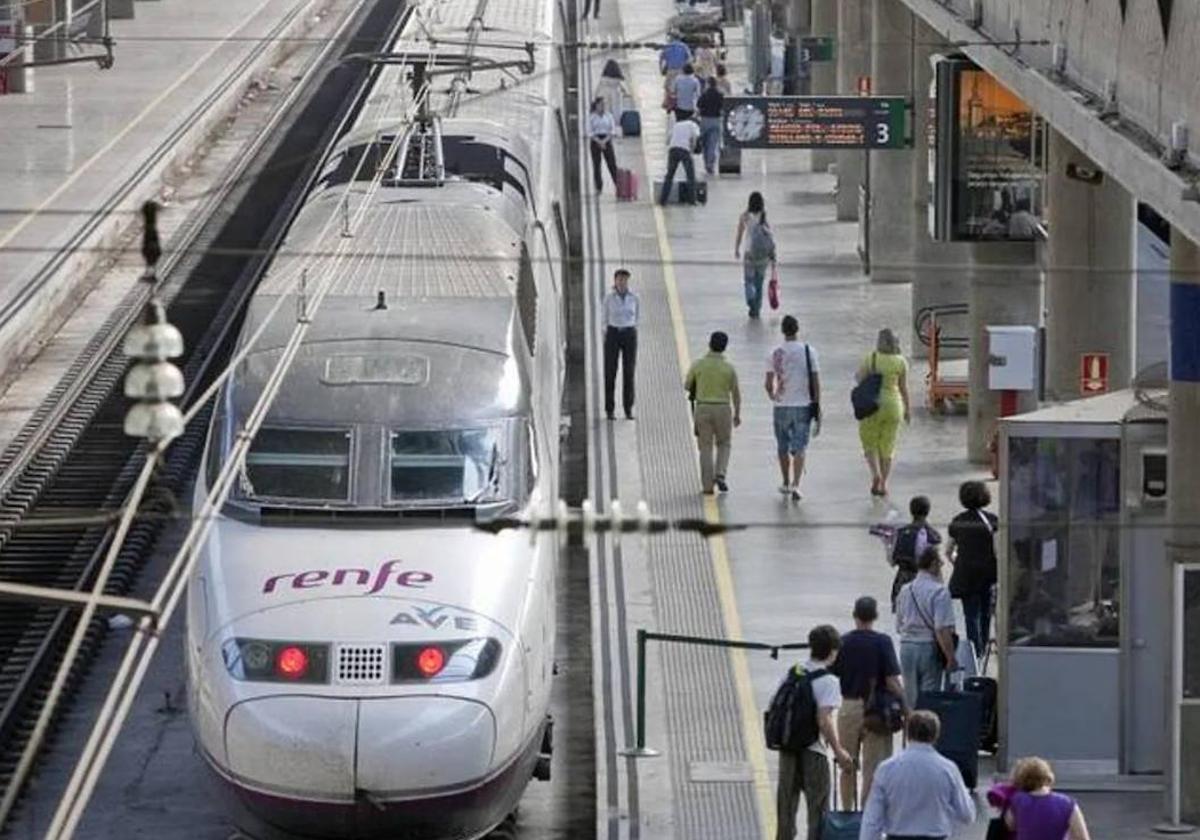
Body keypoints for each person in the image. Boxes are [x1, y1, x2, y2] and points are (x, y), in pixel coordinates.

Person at [775, 624, 853, 840]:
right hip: (814, 752)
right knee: (817, 809)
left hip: (788, 749)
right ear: (833, 651)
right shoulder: (829, 681)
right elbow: (824, 719)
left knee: (786, 808)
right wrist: (838, 751)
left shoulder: (794, 672)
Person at [830, 597, 904, 809]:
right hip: (877, 712)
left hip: (848, 708)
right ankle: (866, 818)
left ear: (854, 615)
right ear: (875, 616)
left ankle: (846, 814)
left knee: (847, 765)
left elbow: (832, 672)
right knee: (874, 769)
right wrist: (906, 706)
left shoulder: (842, 642)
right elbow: (891, 682)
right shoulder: (883, 642)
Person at [859, 710, 977, 840]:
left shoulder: (886, 768)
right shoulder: (948, 769)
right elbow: (967, 815)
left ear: (908, 734)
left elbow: (872, 820)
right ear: (936, 735)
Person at [764, 315, 820, 501]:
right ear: (797, 329)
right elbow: (815, 379)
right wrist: (817, 402)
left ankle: (786, 481)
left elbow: (768, 383)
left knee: (782, 446)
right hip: (803, 404)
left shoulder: (774, 352)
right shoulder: (808, 351)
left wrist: (773, 396)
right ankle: (797, 485)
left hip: (781, 406)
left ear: (783, 330)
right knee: (800, 447)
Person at [895, 547, 957, 708]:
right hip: (928, 648)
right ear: (934, 564)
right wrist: (950, 657)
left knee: (910, 699)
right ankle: (926, 731)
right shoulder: (940, 592)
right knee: (928, 700)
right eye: (941, 563)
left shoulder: (905, 589)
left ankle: (910, 731)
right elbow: (941, 629)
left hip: (906, 648)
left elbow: (899, 625)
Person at [855, 327, 910, 497]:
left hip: (873, 405)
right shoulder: (901, 361)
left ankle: (876, 475)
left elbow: (859, 378)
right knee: (888, 446)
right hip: (894, 406)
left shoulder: (871, 358)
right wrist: (907, 409)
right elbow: (903, 388)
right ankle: (884, 484)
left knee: (870, 442)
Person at [684, 331, 741, 494]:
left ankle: (707, 486)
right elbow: (736, 393)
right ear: (725, 348)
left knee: (705, 448)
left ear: (709, 343)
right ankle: (720, 473)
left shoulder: (698, 364)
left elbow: (687, 385)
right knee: (724, 443)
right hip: (723, 409)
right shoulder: (729, 368)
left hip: (702, 408)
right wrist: (737, 414)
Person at [948, 480, 999, 659]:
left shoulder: (958, 522)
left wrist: (958, 562)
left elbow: (949, 551)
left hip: (965, 576)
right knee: (986, 613)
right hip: (987, 575)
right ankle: (984, 647)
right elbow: (997, 550)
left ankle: (974, 651)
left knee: (970, 614)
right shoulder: (992, 521)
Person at [1003, 757, 1092, 840]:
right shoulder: (1067, 803)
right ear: (1048, 777)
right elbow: (1082, 837)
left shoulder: (1018, 800)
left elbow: (1010, 825)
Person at [889, 496, 942, 612]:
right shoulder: (932, 535)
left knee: (903, 617)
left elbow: (891, 560)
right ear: (928, 511)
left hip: (902, 579)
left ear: (911, 511)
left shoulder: (901, 532)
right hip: (924, 580)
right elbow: (936, 564)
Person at [602, 269, 638, 420]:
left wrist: (632, 329)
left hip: (629, 333)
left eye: (625, 279)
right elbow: (603, 317)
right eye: (619, 279)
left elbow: (637, 316)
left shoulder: (634, 297)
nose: (622, 282)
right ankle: (610, 409)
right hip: (613, 333)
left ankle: (628, 408)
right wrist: (606, 334)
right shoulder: (609, 298)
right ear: (615, 281)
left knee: (629, 372)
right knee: (610, 372)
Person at [734, 192, 776, 317]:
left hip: (749, 253)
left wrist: (736, 248)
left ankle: (751, 301)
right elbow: (769, 236)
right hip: (763, 256)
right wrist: (772, 254)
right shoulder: (763, 216)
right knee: (759, 282)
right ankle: (757, 308)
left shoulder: (744, 216)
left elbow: (740, 234)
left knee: (748, 281)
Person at [660, 117, 701, 206]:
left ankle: (663, 200)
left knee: (669, 176)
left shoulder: (677, 124)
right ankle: (692, 200)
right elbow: (694, 138)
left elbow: (667, 140)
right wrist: (692, 150)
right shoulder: (693, 125)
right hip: (684, 150)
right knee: (690, 176)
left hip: (672, 150)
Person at [588, 98, 620, 193]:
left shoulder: (609, 116)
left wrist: (605, 141)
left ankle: (618, 184)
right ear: (596, 106)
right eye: (601, 105)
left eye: (604, 105)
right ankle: (598, 187)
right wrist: (599, 142)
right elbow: (589, 132)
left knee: (612, 164)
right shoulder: (591, 117)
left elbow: (612, 130)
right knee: (597, 165)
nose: (603, 107)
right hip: (595, 141)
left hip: (607, 139)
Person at [696, 77, 724, 175]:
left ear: (708, 84)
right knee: (713, 144)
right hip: (716, 120)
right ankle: (710, 164)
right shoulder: (720, 95)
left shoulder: (704, 95)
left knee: (705, 144)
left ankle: (706, 162)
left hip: (705, 120)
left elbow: (698, 105)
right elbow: (723, 106)